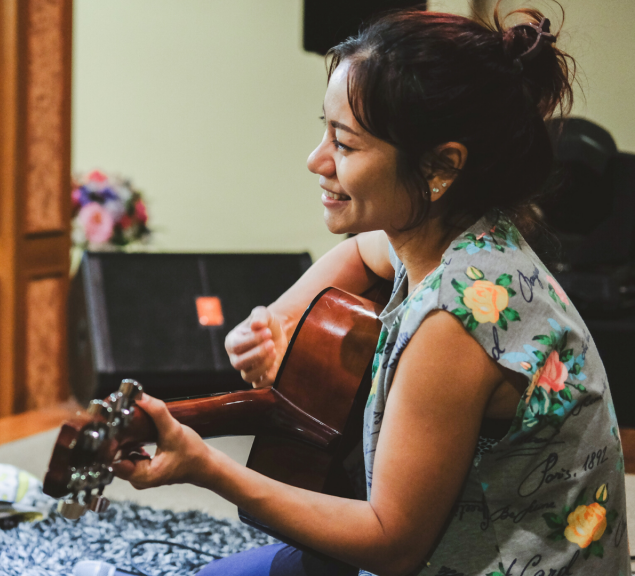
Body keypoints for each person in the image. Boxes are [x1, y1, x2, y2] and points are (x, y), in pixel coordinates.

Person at [114, 8, 630, 576]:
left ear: (441, 166)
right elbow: (363, 252)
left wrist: (205, 467)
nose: (316, 160)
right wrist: (283, 320)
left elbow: (391, 541)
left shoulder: (454, 325)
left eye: (345, 144)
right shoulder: (462, 233)